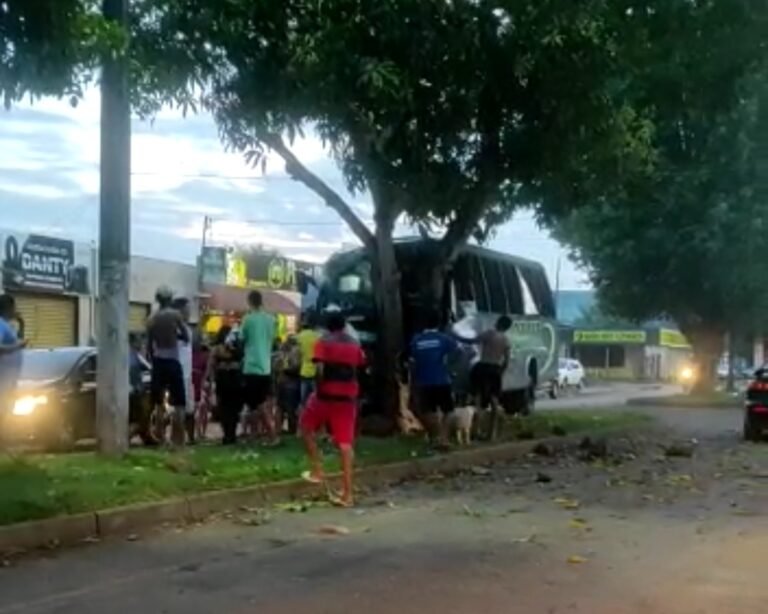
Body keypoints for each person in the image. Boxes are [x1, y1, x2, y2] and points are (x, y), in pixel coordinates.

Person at [300, 311, 366, 508]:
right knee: (345, 444)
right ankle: (347, 493)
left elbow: (319, 368)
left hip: (325, 395)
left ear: (327, 326)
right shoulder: (354, 344)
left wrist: (319, 388)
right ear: (344, 325)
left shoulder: (323, 342)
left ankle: (317, 470)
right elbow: (361, 365)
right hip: (347, 397)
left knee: (306, 426)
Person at [409, 310, 459, 448]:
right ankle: (443, 438)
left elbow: (412, 362)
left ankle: (434, 437)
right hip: (442, 379)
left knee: (428, 411)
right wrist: (451, 368)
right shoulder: (443, 339)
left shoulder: (416, 340)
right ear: (438, 323)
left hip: (423, 380)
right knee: (449, 410)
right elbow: (458, 351)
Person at [146, 286, 189, 446]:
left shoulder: (152, 318)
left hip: (158, 362)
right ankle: (178, 439)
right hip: (172, 361)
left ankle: (160, 437)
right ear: (170, 299)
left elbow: (149, 346)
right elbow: (185, 336)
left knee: (158, 403)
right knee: (179, 403)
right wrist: (175, 335)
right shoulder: (175, 315)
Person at [240, 290, 278, 445]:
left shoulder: (247, 319)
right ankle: (254, 435)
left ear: (249, 302)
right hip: (266, 367)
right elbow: (272, 340)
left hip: (252, 365)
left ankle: (272, 435)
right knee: (256, 404)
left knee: (257, 404)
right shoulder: (271, 319)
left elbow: (243, 339)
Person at [206, 325, 243, 445]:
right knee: (234, 408)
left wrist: (209, 380)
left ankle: (227, 434)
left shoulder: (217, 348)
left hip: (222, 378)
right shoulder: (238, 348)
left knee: (224, 407)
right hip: (235, 377)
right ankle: (232, 434)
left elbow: (211, 365)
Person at [0, 295, 26, 441]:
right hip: (2, 378)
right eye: (14, 306)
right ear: (8, 307)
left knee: (6, 411)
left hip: (9, 379)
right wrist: (17, 346)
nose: (16, 310)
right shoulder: (0, 324)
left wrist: (21, 323)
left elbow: (18, 339)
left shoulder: (7, 325)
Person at [275, 336, 301, 433]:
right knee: (290, 408)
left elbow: (276, 367)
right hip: (290, 383)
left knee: (281, 407)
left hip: (282, 382)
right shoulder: (295, 353)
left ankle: (280, 428)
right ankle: (291, 429)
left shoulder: (281, 354)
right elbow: (296, 367)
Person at [296, 312, 320, 411]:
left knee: (303, 401)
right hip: (316, 372)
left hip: (304, 371)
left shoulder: (300, 336)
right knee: (317, 401)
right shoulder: (319, 336)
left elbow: (297, 353)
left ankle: (303, 421)